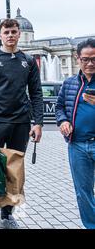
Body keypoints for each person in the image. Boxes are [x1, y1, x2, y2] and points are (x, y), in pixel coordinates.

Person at [0, 18, 43, 229]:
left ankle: (7, 216)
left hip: (21, 124)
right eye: (7, 32)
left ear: (19, 34)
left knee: (14, 173)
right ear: (0, 35)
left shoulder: (28, 61)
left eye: (14, 31)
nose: (11, 35)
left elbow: (36, 93)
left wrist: (38, 122)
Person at [55, 38, 95, 229]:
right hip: (78, 145)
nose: (90, 63)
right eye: (86, 59)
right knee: (83, 191)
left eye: (94, 59)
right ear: (77, 58)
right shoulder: (70, 83)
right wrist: (62, 121)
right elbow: (60, 106)